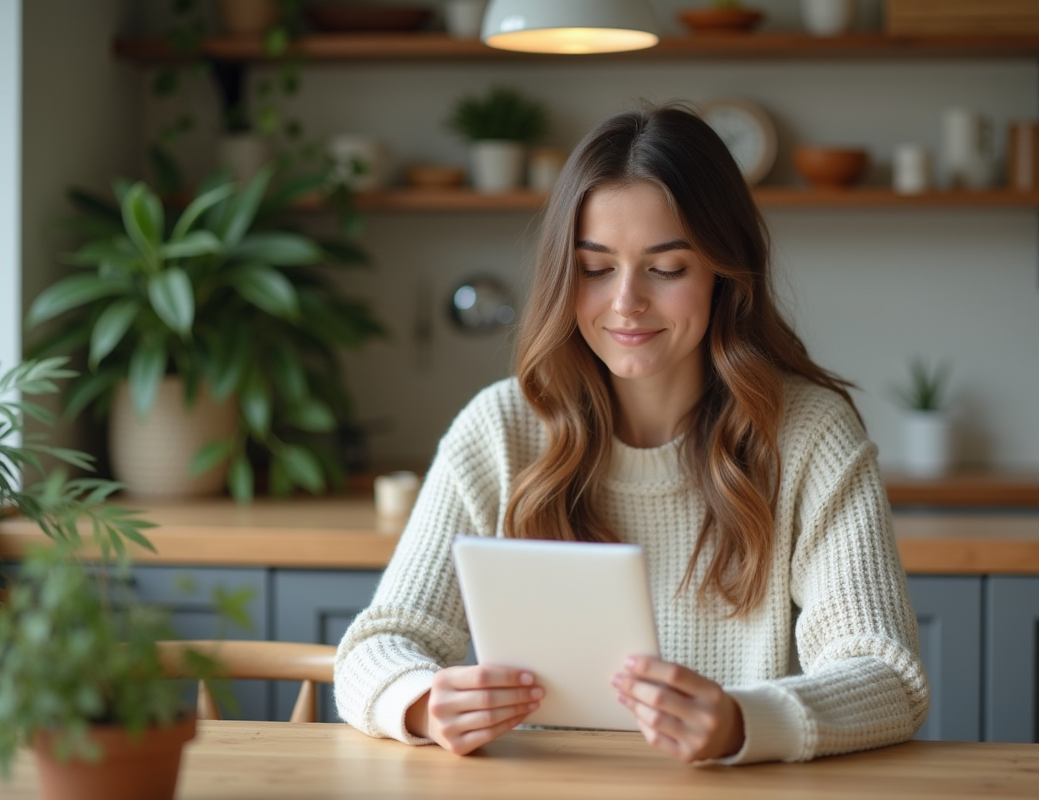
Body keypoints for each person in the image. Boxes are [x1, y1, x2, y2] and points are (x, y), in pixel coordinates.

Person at [335, 104, 928, 765]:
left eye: (667, 268)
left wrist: (742, 722)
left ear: (725, 275)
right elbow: (376, 646)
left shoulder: (809, 434)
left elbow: (889, 678)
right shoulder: (500, 428)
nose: (626, 302)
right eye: (595, 268)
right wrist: (420, 701)